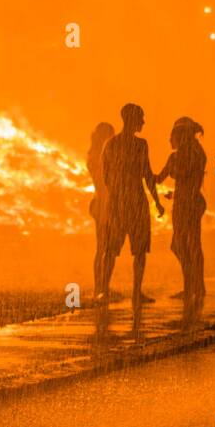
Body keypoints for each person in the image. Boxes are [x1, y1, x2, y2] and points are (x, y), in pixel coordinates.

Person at [100, 103, 163, 309]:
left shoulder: (111, 144)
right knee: (138, 251)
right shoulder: (140, 145)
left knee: (111, 250)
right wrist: (156, 201)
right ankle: (136, 292)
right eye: (141, 118)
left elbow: (106, 177)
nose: (144, 122)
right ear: (132, 120)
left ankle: (104, 290)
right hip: (135, 203)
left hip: (119, 204)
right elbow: (147, 175)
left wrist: (117, 196)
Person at [158, 116, 208, 319]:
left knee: (183, 245)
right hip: (189, 202)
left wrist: (170, 164)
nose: (169, 140)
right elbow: (182, 181)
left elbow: (177, 175)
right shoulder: (195, 153)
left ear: (180, 136)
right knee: (190, 245)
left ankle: (192, 286)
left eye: (172, 136)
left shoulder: (185, 155)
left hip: (188, 205)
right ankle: (196, 285)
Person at [86, 121, 115, 300]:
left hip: (100, 203)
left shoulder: (93, 155)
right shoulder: (102, 155)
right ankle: (102, 287)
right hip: (106, 205)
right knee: (108, 249)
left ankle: (101, 287)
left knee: (103, 248)